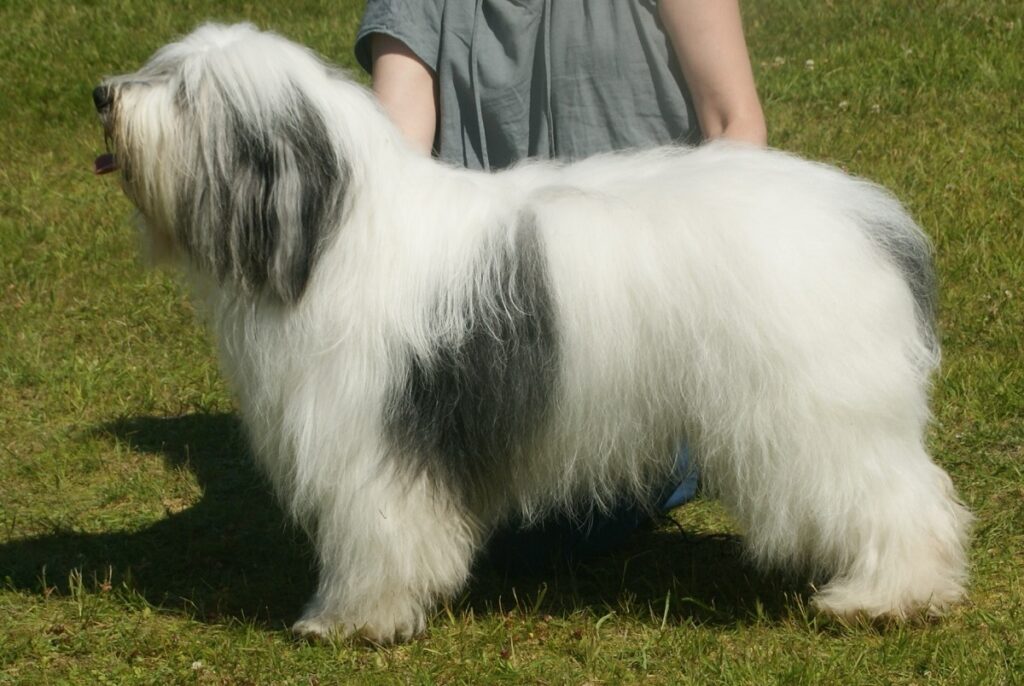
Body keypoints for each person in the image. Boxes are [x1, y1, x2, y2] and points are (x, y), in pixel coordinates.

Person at [354, 0, 766, 567]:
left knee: (569, 524)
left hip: (644, 355)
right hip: (488, 359)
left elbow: (733, 125)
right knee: (502, 532)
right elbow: (390, 163)